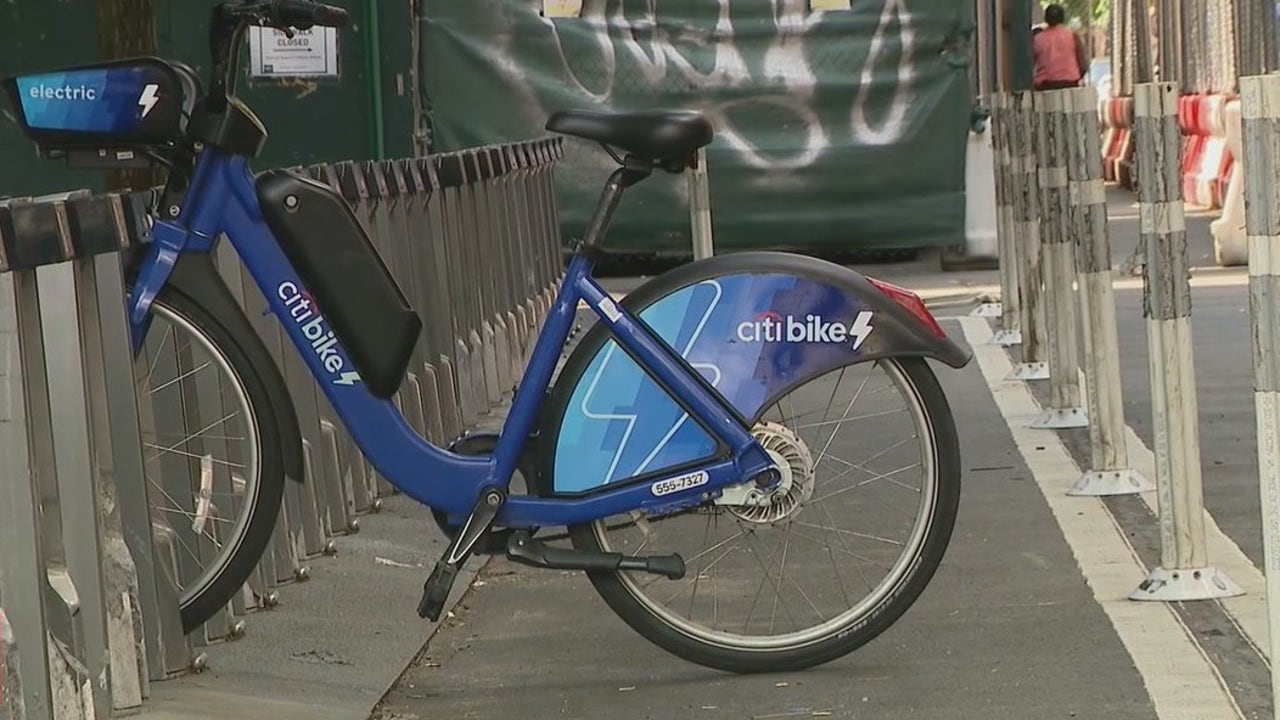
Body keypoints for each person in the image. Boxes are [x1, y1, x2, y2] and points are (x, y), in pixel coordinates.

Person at [1032, 4, 1087, 90]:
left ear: (1046, 19)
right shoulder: (1073, 36)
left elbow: (1030, 65)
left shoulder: (1037, 39)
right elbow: (1083, 66)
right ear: (1063, 18)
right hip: (1071, 84)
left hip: (1045, 86)